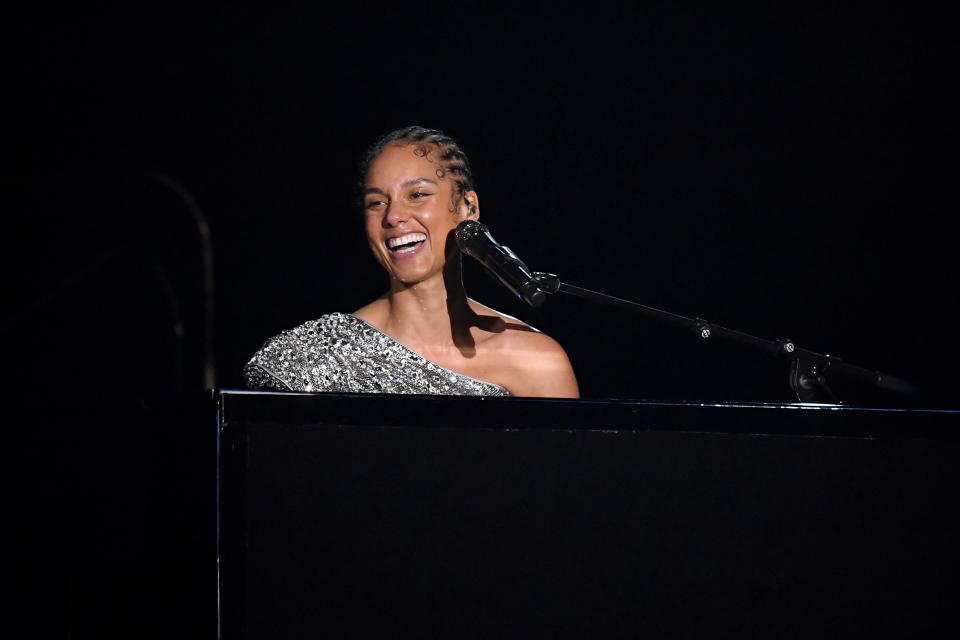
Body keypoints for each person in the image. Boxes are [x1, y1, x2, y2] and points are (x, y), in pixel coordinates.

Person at [244, 126, 579, 398]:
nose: (393, 217)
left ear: (468, 209)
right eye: (377, 203)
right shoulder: (310, 358)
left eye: (417, 195)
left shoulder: (537, 363)